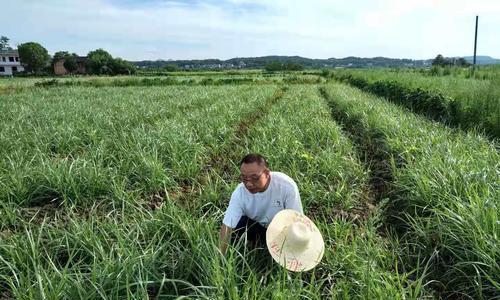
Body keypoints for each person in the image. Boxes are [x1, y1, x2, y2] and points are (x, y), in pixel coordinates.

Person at [219, 153, 303, 255]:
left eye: (255, 178)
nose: (249, 184)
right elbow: (227, 226)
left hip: (281, 231)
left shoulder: (286, 186)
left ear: (267, 173)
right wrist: (220, 257)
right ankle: (254, 245)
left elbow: (295, 220)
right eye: (244, 179)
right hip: (256, 225)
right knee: (236, 228)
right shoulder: (240, 193)